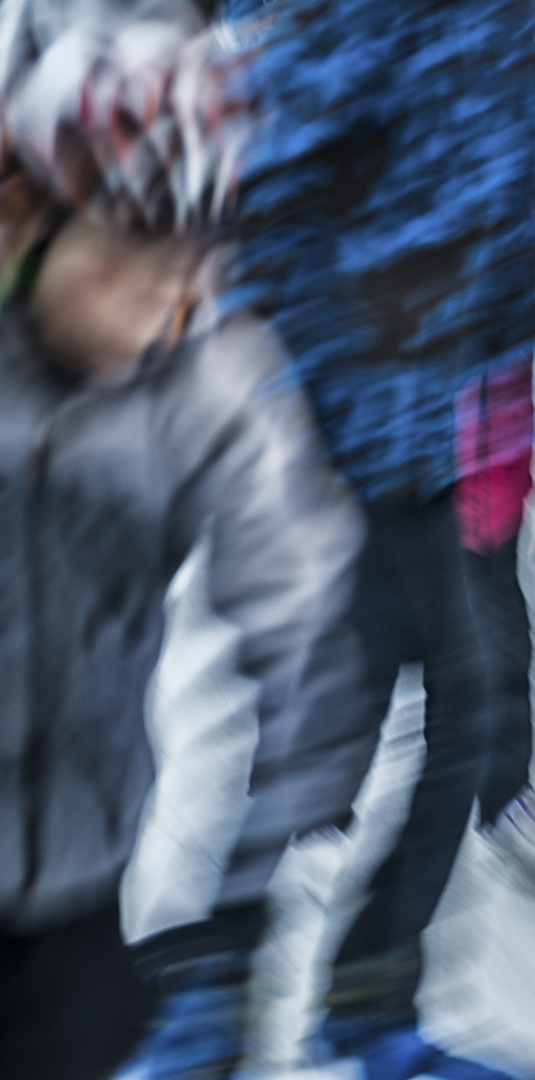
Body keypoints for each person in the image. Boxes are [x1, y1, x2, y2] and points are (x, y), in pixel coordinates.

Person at [0, 10, 376, 1080]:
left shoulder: (203, 382)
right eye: (124, 255)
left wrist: (231, 923)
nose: (155, 302)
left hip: (78, 873)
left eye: (186, 265)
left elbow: (300, 610)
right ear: (27, 221)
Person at [227, 1, 535, 1075]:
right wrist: (297, 396)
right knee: (407, 705)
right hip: (337, 415)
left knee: (406, 703)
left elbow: (506, 180)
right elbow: (271, 189)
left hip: (421, 413)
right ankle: (252, 1004)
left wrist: (506, 361)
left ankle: (347, 1006)